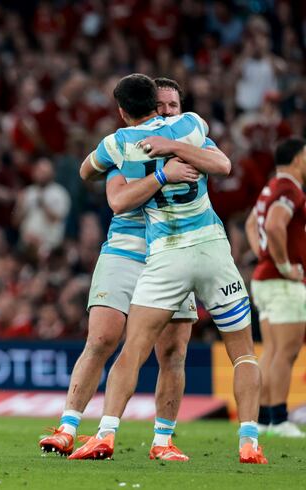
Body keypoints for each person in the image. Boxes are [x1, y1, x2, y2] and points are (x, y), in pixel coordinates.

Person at [68, 74, 266, 464]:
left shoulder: (117, 144)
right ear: (157, 104)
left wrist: (133, 159)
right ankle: (249, 442)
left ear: (122, 111)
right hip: (213, 250)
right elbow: (223, 164)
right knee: (243, 353)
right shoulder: (191, 125)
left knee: (133, 350)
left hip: (166, 256)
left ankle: (105, 434)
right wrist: (173, 146)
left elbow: (86, 171)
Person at [40, 77, 228, 461]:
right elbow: (117, 199)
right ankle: (67, 428)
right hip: (126, 250)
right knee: (101, 339)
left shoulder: (190, 140)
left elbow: (222, 164)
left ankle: (163, 441)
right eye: (161, 105)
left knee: (173, 352)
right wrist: (162, 175)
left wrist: (180, 153)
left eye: (174, 106)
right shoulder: (123, 148)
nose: (167, 111)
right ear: (150, 107)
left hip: (175, 252)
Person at [245, 137, 306, 438]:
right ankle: (280, 420)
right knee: (286, 352)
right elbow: (273, 225)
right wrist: (283, 265)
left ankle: (264, 418)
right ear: (297, 159)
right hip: (282, 283)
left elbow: (250, 224)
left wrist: (263, 255)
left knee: (271, 351)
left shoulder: (270, 188)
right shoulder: (289, 189)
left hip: (264, 280)